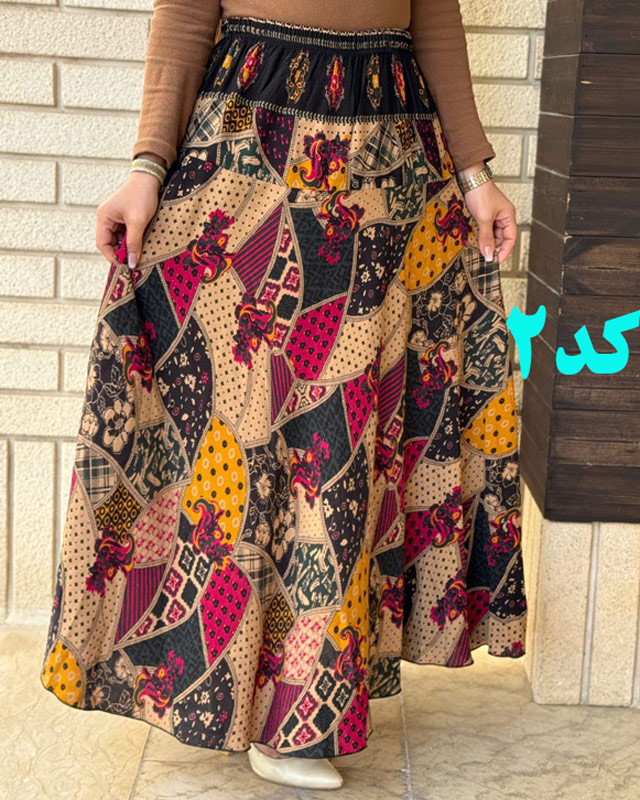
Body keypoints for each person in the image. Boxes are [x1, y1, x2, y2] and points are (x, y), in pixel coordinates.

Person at [40, 1, 527, 792]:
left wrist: (475, 175)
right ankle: (234, 692)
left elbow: (433, 15)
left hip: (388, 171)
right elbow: (187, 15)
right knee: (243, 431)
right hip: (248, 148)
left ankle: (301, 715)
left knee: (340, 439)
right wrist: (147, 167)